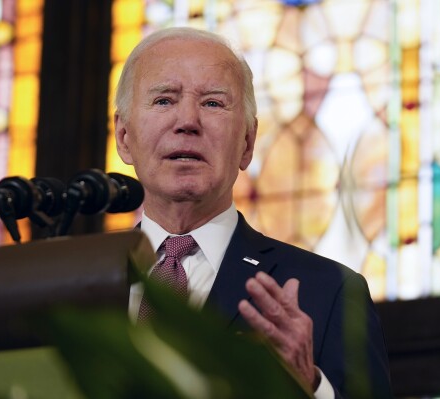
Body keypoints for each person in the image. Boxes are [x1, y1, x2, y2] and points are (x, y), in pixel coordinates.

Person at [113, 27, 393, 398]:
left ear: (247, 143)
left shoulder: (329, 293)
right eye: (164, 100)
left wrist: (309, 387)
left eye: (213, 103)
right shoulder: (74, 286)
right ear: (124, 137)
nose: (187, 121)